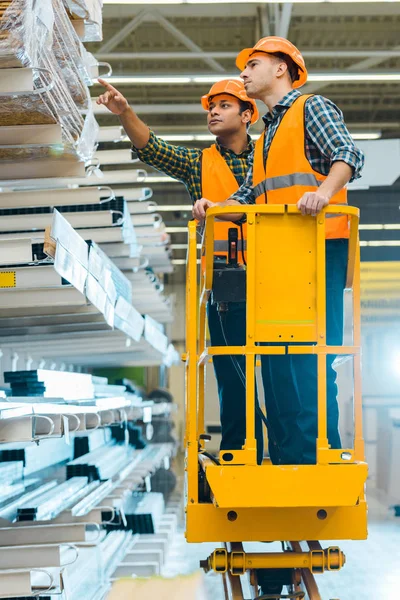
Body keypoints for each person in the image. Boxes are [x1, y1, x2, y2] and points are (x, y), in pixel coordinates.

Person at [193, 37, 365, 465]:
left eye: (253, 65)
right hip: (279, 258)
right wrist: (219, 208)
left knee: (310, 355)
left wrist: (324, 193)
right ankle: (288, 457)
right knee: (274, 357)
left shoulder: (312, 107)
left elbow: (349, 154)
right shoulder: (268, 130)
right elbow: (253, 192)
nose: (245, 74)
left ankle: (318, 456)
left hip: (319, 249)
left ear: (281, 70)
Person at [96, 78, 265, 463]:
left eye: (224, 105)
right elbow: (152, 148)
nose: (213, 112)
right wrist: (125, 113)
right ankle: (240, 450)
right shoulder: (198, 163)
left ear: (247, 114)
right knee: (231, 368)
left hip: (274, 273)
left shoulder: (270, 157)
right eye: (211, 106)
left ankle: (289, 448)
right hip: (226, 279)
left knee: (280, 363)